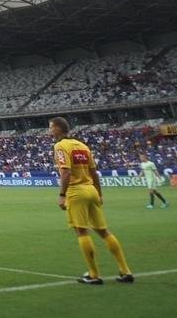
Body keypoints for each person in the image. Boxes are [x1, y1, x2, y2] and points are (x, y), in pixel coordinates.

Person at [50, 116, 133, 284]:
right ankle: (125, 271)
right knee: (104, 231)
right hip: (92, 190)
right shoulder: (83, 146)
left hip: (76, 191)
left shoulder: (60, 146)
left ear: (59, 128)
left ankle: (94, 275)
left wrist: (61, 195)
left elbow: (65, 172)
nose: (50, 130)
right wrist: (99, 193)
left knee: (81, 231)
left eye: (51, 127)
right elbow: (94, 172)